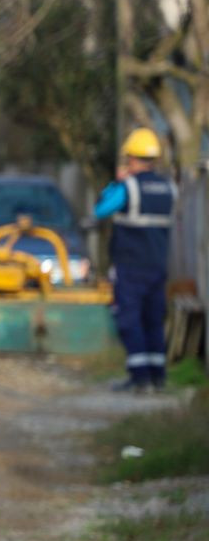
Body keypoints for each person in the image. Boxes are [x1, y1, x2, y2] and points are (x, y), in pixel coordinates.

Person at [93, 127, 176, 392]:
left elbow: (101, 209)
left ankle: (140, 379)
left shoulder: (128, 186)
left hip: (131, 266)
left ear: (131, 157)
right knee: (153, 320)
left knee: (130, 320)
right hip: (159, 265)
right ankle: (157, 377)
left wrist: (116, 183)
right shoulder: (169, 187)